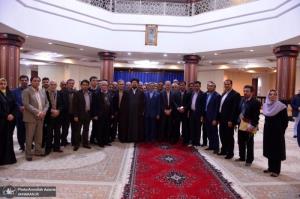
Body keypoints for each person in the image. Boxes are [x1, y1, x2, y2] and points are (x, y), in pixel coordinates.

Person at [262, 89, 288, 177]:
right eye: (270, 94)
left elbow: (285, 121)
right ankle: (270, 168)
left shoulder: (281, 106)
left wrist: (281, 131)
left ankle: (276, 170)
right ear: (268, 96)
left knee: (276, 150)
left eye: (274, 94)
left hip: (277, 132)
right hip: (268, 130)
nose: (272, 96)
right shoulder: (265, 105)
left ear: (277, 96)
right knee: (269, 148)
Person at [22, 76, 49, 161]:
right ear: (31, 81)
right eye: (35, 81)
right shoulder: (26, 91)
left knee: (39, 136)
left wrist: (44, 111)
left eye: (38, 81)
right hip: (31, 118)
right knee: (29, 137)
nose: (37, 82)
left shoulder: (42, 91)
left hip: (41, 117)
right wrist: (38, 112)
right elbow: (26, 104)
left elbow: (47, 103)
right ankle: (28, 154)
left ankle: (38, 151)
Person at [236, 85, 261, 166]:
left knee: (249, 143)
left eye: (247, 91)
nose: (245, 92)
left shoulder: (256, 102)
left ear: (252, 92)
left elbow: (256, 116)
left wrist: (252, 125)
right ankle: (242, 157)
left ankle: (249, 160)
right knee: (240, 141)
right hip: (241, 123)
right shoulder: (242, 100)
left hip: (249, 124)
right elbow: (239, 111)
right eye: (244, 91)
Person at [218, 79, 241, 159]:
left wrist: (231, 120)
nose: (226, 85)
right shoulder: (224, 93)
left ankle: (230, 153)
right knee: (222, 134)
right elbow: (221, 107)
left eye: (228, 84)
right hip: (222, 118)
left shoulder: (235, 94)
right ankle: (224, 150)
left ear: (231, 85)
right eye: (225, 84)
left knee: (229, 136)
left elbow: (235, 109)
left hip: (229, 120)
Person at [0, 78, 17, 165]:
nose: (3, 85)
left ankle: (9, 159)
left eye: (4, 83)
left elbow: (15, 106)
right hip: (1, 121)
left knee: (8, 139)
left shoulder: (10, 94)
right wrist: (6, 115)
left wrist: (12, 114)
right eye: (1, 83)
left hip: (10, 121)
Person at [91, 81, 113, 147]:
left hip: (108, 115)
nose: (104, 86)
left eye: (106, 85)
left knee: (107, 129)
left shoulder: (109, 93)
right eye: (103, 85)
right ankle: (100, 142)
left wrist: (112, 114)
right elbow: (93, 105)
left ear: (107, 86)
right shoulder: (96, 94)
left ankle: (106, 141)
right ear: (100, 86)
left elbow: (111, 105)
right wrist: (94, 115)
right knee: (100, 129)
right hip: (99, 115)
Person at [44, 81, 63, 155]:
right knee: (49, 133)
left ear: (56, 85)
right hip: (49, 116)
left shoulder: (60, 93)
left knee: (58, 133)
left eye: (54, 84)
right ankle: (48, 148)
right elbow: (43, 104)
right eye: (51, 84)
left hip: (58, 116)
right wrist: (51, 111)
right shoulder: (45, 93)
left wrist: (58, 111)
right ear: (49, 85)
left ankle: (56, 147)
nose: (53, 86)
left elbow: (63, 104)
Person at [72, 80, 92, 151]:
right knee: (77, 130)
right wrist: (75, 116)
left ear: (88, 85)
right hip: (79, 115)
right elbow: (75, 105)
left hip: (88, 114)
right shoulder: (77, 93)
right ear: (81, 85)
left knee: (86, 130)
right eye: (83, 84)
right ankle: (76, 144)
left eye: (86, 85)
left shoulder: (90, 93)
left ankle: (85, 143)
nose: (85, 86)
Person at [203, 81, 221, 154]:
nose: (209, 87)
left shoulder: (217, 96)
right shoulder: (206, 95)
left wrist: (215, 119)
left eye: (211, 86)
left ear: (214, 87)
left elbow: (217, 108)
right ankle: (211, 145)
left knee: (214, 133)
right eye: (208, 86)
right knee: (208, 132)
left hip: (213, 118)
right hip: (206, 116)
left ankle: (216, 147)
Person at [12, 75, 29, 151]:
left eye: (25, 80)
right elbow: (13, 101)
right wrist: (19, 107)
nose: (24, 81)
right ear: (19, 81)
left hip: (30, 114)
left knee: (29, 130)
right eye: (22, 80)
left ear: (28, 81)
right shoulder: (14, 91)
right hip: (19, 114)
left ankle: (29, 143)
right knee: (20, 130)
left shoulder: (31, 90)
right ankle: (21, 145)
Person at [61, 79, 76, 146]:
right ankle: (63, 141)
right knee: (65, 129)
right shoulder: (62, 92)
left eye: (72, 83)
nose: (71, 84)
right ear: (67, 84)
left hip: (74, 114)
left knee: (74, 128)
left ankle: (74, 141)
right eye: (70, 83)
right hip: (65, 114)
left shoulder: (76, 92)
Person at [188, 81, 204, 147]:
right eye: (195, 86)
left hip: (198, 114)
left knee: (198, 128)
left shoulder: (203, 94)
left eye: (197, 86)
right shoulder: (192, 93)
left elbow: (203, 106)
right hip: (192, 113)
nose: (196, 87)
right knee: (191, 128)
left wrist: (202, 116)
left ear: (200, 86)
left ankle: (197, 142)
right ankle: (191, 141)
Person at [89, 76, 99, 144]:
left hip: (95, 112)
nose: (95, 82)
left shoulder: (99, 90)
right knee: (85, 127)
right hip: (87, 111)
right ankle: (84, 140)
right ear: (90, 82)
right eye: (93, 80)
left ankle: (93, 138)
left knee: (95, 126)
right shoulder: (88, 90)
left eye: (96, 80)